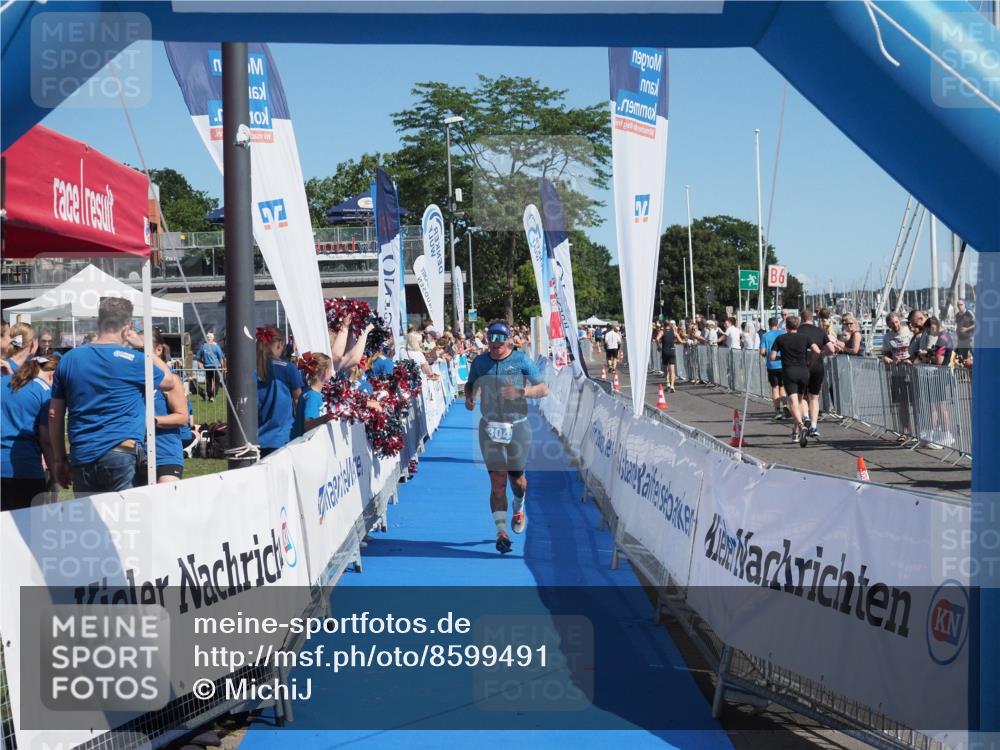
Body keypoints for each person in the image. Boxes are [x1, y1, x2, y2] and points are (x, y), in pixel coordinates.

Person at [48, 298, 179, 495]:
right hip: (122, 452)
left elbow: (53, 414)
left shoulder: (69, 359)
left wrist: (59, 459)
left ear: (99, 322)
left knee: (91, 522)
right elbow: (169, 381)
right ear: (127, 327)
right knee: (126, 520)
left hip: (83, 453)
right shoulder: (134, 360)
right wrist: (145, 349)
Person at [464, 320, 549, 555]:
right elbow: (470, 384)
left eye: (500, 339)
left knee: (517, 481)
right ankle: (501, 532)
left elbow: (543, 388)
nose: (495, 343)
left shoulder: (520, 360)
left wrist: (521, 391)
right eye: (491, 338)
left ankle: (519, 504)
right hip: (489, 428)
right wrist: (469, 398)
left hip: (518, 427)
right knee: (498, 482)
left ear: (509, 340)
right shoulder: (480, 362)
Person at [2, 352, 58, 510]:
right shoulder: (44, 392)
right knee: (29, 530)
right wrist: (54, 472)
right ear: (53, 375)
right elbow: (45, 439)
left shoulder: (3, 381)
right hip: (26, 469)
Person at [146, 329, 191, 483]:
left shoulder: (172, 380)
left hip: (165, 454)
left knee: (166, 505)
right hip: (136, 454)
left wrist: (153, 421)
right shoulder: (130, 379)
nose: (136, 354)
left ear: (158, 350)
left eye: (141, 349)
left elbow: (183, 417)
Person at [770, 316, 822, 443]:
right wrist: (811, 362)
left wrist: (780, 359)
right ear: (798, 326)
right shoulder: (805, 337)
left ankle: (800, 425)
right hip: (804, 371)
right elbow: (817, 350)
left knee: (793, 402)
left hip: (789, 371)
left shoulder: (780, 338)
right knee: (799, 402)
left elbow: (772, 357)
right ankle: (795, 432)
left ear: (786, 326)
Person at [255, 326, 303, 457]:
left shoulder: (252, 370)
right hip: (282, 437)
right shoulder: (289, 368)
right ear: (280, 344)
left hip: (254, 439)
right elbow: (299, 400)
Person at [796, 309, 831, 436]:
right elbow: (831, 349)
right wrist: (821, 354)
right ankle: (814, 427)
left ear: (801, 318)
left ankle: (805, 417)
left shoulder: (797, 331)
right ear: (812, 318)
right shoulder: (820, 331)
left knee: (803, 396)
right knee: (814, 397)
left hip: (802, 366)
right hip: (817, 366)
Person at [881, 313, 914, 441]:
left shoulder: (909, 332)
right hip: (897, 373)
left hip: (911, 372)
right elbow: (885, 356)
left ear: (899, 321)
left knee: (916, 403)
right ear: (888, 325)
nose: (895, 325)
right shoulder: (887, 337)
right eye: (892, 323)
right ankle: (905, 431)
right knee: (902, 404)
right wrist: (890, 361)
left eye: (896, 322)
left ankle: (917, 432)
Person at [292, 352, 333, 439]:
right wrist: (328, 417)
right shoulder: (312, 396)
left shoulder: (308, 392)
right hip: (304, 447)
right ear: (325, 371)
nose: (332, 372)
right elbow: (308, 425)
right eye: (330, 369)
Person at [759, 317, 787, 422]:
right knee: (783, 387)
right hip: (783, 364)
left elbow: (762, 352)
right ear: (777, 324)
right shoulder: (783, 333)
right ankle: (785, 405)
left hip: (772, 365)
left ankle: (778, 411)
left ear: (769, 324)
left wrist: (765, 354)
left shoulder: (765, 336)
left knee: (775, 388)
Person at [195, 332, 225, 402]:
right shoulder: (216, 346)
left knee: (209, 382)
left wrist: (201, 363)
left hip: (207, 367)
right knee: (217, 382)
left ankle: (210, 396)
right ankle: (213, 396)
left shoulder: (203, 346)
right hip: (215, 367)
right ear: (213, 338)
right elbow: (220, 357)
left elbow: (198, 357)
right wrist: (222, 366)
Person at [655, 322, 678, 392]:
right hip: (672, 351)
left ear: (664, 326)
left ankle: (668, 384)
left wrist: (658, 346)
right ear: (670, 325)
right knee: (672, 370)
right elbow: (679, 339)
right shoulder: (673, 331)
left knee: (666, 369)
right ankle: (672, 386)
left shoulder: (662, 331)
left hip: (665, 351)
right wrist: (684, 342)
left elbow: (657, 339)